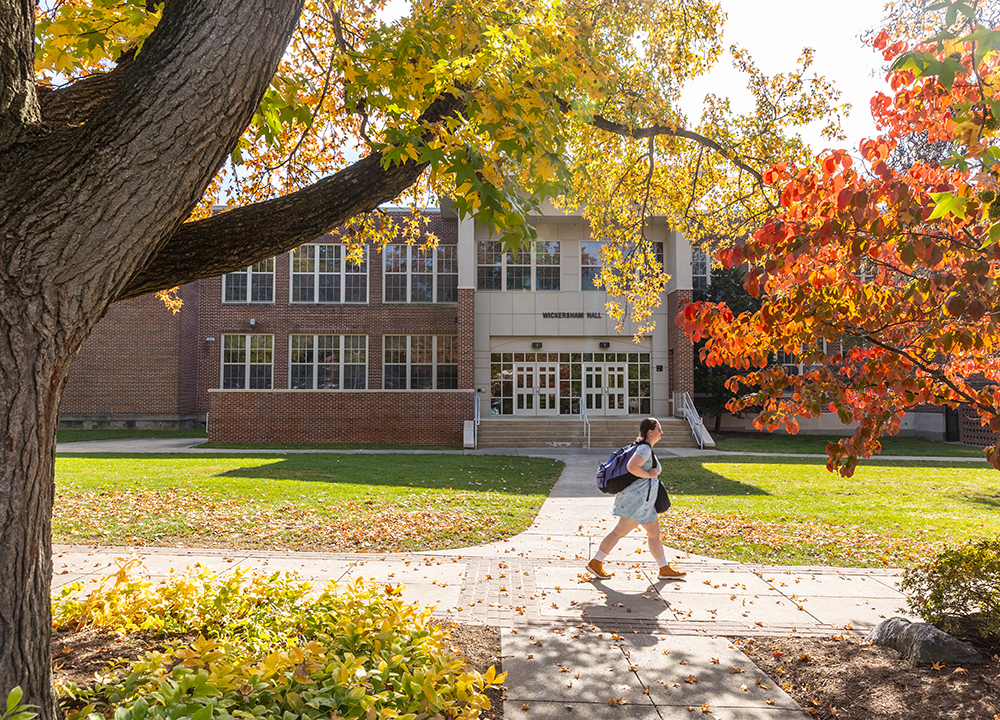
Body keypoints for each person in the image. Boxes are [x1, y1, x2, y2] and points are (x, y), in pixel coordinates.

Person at [586, 417, 686, 580]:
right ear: (650, 432)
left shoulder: (642, 447)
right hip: (637, 503)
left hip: (641, 503)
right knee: (621, 532)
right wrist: (648, 474)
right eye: (659, 429)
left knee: (652, 532)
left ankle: (664, 568)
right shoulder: (644, 449)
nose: (662, 432)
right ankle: (596, 562)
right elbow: (632, 467)